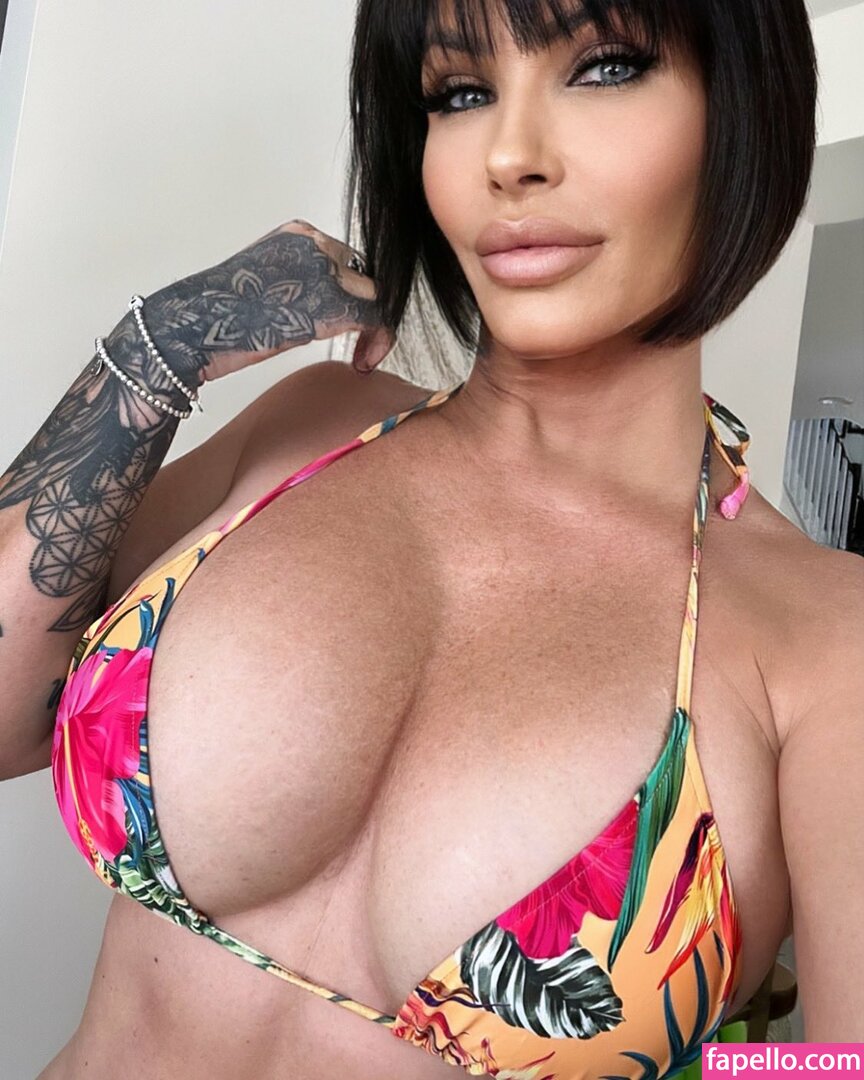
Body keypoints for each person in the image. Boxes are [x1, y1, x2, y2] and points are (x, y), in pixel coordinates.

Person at [1, 0, 861, 1076]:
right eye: (460, 93)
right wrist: (164, 342)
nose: (508, 154)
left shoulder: (826, 642)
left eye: (604, 69)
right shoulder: (309, 432)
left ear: (744, 112)